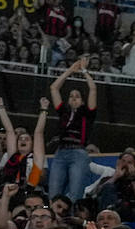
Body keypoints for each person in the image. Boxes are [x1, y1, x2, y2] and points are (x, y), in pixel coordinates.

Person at [47, 57, 98, 201]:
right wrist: (70, 70)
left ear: (82, 101)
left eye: (77, 96)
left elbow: (93, 89)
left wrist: (84, 71)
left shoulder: (88, 114)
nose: (73, 98)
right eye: (71, 96)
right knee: (54, 195)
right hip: (61, 153)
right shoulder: (63, 111)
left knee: (75, 195)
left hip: (78, 153)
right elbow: (54, 88)